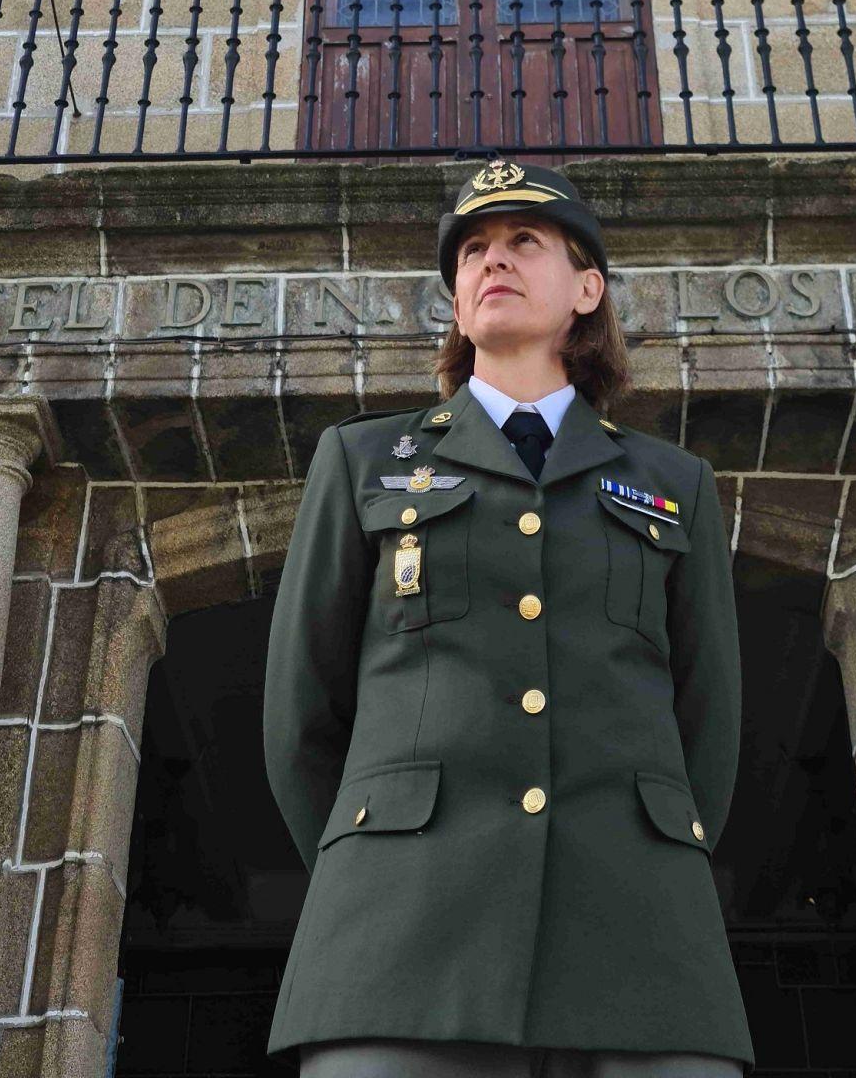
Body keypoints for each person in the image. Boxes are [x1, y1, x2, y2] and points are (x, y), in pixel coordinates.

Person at [263, 157, 752, 1078]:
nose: (494, 260)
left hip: (641, 939)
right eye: (473, 250)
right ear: (456, 299)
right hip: (401, 942)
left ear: (586, 290)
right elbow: (302, 712)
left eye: (526, 241)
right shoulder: (364, 460)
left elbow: (708, 718)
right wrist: (375, 864)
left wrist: (656, 854)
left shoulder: (671, 482)